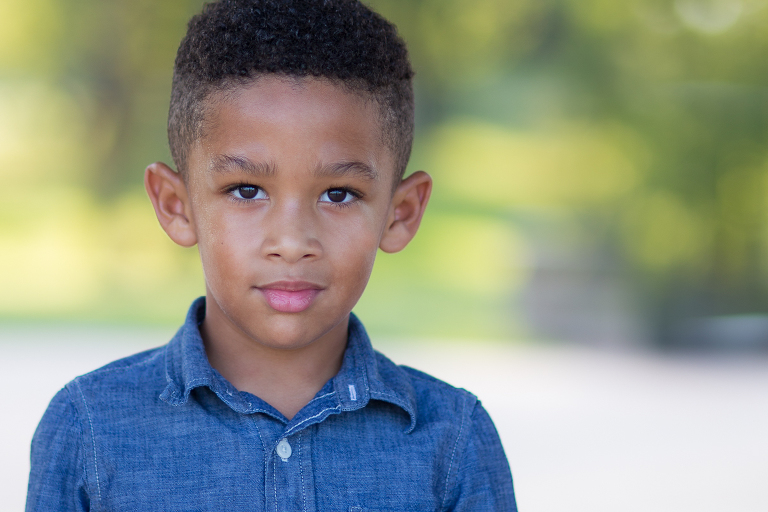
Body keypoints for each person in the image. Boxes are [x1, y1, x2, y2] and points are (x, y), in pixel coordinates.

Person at [26, 1, 517, 510]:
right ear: (177, 205)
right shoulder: (91, 429)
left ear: (400, 213)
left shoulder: (453, 442)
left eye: (339, 194)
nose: (292, 240)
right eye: (245, 190)